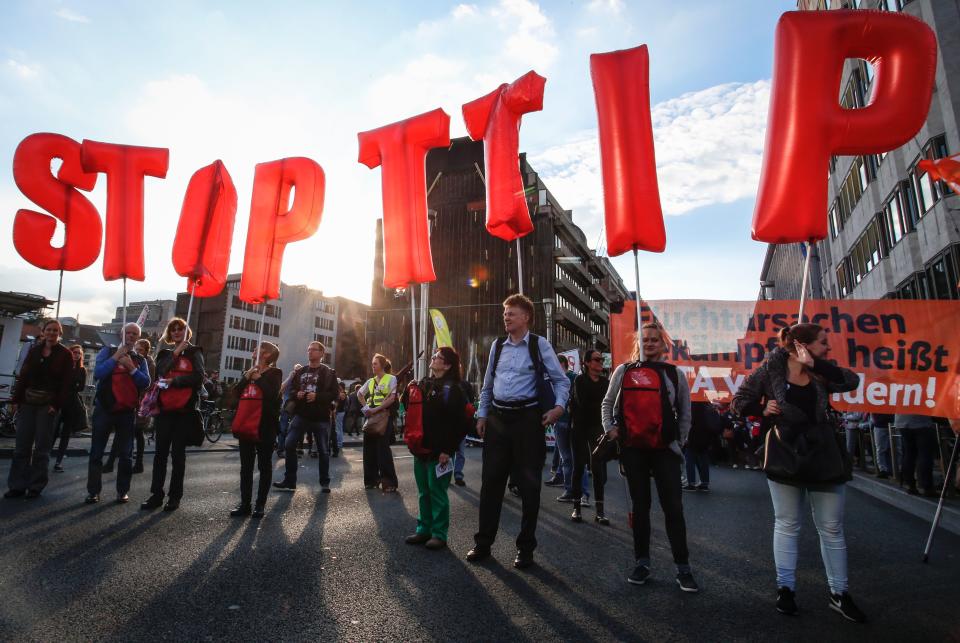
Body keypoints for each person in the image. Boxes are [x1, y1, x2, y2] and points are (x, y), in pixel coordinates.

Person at [733, 322, 865, 623]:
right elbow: (739, 401)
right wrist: (762, 408)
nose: (827, 347)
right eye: (822, 342)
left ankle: (840, 593)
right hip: (785, 452)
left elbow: (851, 381)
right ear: (801, 344)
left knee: (831, 527)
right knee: (787, 523)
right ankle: (786, 589)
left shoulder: (821, 368)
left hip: (823, 453)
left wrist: (816, 363)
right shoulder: (771, 368)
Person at [467, 294, 570, 570]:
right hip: (498, 420)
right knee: (491, 484)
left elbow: (561, 382)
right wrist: (482, 414)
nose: (506, 317)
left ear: (526, 317)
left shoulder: (539, 344)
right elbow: (488, 384)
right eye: (505, 314)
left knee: (529, 486)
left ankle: (525, 549)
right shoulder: (497, 346)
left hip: (527, 420)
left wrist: (559, 408)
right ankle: (483, 543)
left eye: (511, 313)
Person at [601, 322, 698, 593]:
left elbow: (685, 411)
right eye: (646, 339)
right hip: (633, 449)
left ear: (663, 344)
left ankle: (683, 567)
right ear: (639, 343)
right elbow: (608, 402)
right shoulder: (624, 371)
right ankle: (642, 562)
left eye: (656, 339)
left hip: (665, 449)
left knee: (674, 510)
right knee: (639, 509)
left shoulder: (673, 373)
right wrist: (610, 429)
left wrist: (678, 443)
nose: (651, 343)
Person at [405, 347, 470, 550]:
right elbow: (408, 406)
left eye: (437, 357)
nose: (432, 359)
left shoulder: (454, 388)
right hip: (420, 446)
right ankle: (423, 529)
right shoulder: (425, 382)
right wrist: (409, 390)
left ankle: (439, 533)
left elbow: (459, 423)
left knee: (437, 492)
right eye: (433, 356)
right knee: (424, 491)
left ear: (448, 365)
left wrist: (447, 450)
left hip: (439, 450)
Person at [141, 318, 205, 512]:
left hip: (184, 411)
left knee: (178, 455)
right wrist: (176, 353)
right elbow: (160, 371)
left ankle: (175, 497)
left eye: (181, 329)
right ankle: (156, 495)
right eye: (174, 330)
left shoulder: (195, 352)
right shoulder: (165, 353)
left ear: (187, 331)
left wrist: (175, 382)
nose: (177, 332)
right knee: (160, 455)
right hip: (165, 411)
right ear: (170, 334)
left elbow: (198, 377)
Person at [5, 320, 73, 499]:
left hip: (48, 404)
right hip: (28, 402)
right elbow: (24, 375)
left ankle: (35, 486)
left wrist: (56, 405)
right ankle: (17, 486)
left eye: (55, 331)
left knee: (42, 448)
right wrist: (16, 400)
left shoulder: (65, 354)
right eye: (49, 330)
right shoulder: (34, 350)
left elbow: (66, 384)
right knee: (21, 446)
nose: (52, 333)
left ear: (60, 334)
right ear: (43, 332)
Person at [86, 322, 150, 504]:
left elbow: (145, 383)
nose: (130, 336)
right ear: (121, 334)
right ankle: (93, 491)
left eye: (134, 334)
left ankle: (122, 491)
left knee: (126, 454)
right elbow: (98, 373)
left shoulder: (140, 360)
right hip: (104, 409)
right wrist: (115, 357)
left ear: (138, 337)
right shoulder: (107, 351)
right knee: (97, 453)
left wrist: (131, 368)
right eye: (128, 333)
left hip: (126, 412)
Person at [274, 342, 338, 493]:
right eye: (308, 349)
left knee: (323, 451)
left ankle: (324, 482)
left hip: (321, 417)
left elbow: (334, 394)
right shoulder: (300, 371)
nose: (310, 352)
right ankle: (290, 480)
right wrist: (298, 394)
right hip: (301, 415)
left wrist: (317, 396)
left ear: (322, 353)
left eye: (314, 350)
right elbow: (292, 391)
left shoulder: (329, 373)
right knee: (289, 445)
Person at [231, 342, 282, 517]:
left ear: (267, 355)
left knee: (264, 465)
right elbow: (236, 393)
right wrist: (247, 378)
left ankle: (260, 504)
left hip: (265, 425)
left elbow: (272, 394)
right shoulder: (249, 371)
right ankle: (245, 504)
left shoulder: (275, 373)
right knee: (246, 467)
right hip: (247, 423)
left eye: (257, 349)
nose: (253, 351)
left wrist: (258, 378)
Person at [104, 338, 156, 474]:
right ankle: (110, 462)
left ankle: (138, 463)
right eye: (137, 349)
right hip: (130, 401)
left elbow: (147, 384)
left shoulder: (148, 364)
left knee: (138, 433)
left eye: (141, 350)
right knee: (122, 433)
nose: (137, 351)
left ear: (146, 352)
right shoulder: (131, 359)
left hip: (141, 403)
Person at [570, 349, 610, 524]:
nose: (600, 362)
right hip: (579, 428)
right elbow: (583, 403)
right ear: (587, 363)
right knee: (579, 466)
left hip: (598, 429)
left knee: (598, 469)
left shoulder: (605, 382)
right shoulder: (580, 380)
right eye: (596, 359)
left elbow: (609, 404)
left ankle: (600, 512)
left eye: (601, 360)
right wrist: (601, 406)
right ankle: (576, 508)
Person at [358, 354, 400, 492]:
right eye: (372, 363)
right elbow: (359, 394)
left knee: (383, 450)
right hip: (371, 418)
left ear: (382, 365)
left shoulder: (391, 378)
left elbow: (392, 398)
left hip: (384, 417)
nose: (373, 366)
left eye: (375, 363)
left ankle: (389, 483)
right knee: (368, 449)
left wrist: (374, 409)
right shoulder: (370, 381)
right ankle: (371, 480)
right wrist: (366, 409)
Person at [554, 354, 590, 505]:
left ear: (563, 364)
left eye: (556, 363)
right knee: (567, 459)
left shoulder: (575, 378)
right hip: (561, 423)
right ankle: (570, 491)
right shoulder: (554, 379)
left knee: (577, 459)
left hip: (574, 423)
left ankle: (583, 493)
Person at [53, 344, 88, 473]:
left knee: (65, 434)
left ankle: (58, 462)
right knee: (53, 432)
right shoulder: (64, 367)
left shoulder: (82, 370)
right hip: (60, 402)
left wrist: (73, 385)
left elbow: (81, 387)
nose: (76, 355)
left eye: (79, 353)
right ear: (70, 353)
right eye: (74, 352)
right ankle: (43, 459)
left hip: (71, 404)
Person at [896, 413, 939, 497]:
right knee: (925, 455)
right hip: (921, 421)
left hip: (902, 421)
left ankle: (910, 485)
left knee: (908, 454)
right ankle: (926, 486)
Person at [684, 402, 721, 492]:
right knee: (703, 459)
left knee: (689, 459)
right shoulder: (709, 406)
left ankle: (691, 483)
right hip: (707, 437)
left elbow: (689, 420)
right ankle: (704, 483)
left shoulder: (693, 404)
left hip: (694, 435)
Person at [277, 364, 302, 457]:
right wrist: (290, 377)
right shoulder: (290, 379)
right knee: (283, 429)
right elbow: (281, 388)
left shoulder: (301, 381)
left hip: (297, 408)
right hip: (287, 407)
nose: (297, 373)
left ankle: (291, 450)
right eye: (296, 371)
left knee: (294, 430)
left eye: (299, 371)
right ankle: (281, 450)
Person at [870, 413, 896, 480]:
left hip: (891, 422)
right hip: (880, 424)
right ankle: (883, 470)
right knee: (881, 449)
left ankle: (893, 469)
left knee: (893, 449)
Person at [332, 381, 346, 457]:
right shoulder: (343, 393)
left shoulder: (342, 394)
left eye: (339, 386)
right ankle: (339, 443)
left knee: (338, 428)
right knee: (339, 427)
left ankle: (339, 443)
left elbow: (337, 404)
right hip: (341, 412)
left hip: (339, 412)